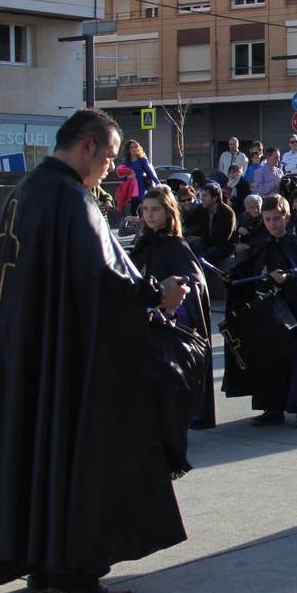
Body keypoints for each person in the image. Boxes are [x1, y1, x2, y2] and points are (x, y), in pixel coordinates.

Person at [0, 108, 189, 593]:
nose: (110, 168)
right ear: (86, 147)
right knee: (77, 450)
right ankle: (74, 572)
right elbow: (106, 281)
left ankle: (45, 562)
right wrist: (159, 295)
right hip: (67, 362)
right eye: (108, 157)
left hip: (26, 357)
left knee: (39, 453)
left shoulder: (27, 193)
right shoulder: (69, 200)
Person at [222, 194, 297, 429]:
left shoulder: (295, 245)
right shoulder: (263, 244)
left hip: (295, 316)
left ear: (287, 217)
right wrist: (233, 277)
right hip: (269, 316)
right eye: (268, 219)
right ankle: (272, 407)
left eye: (277, 219)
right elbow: (249, 271)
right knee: (270, 360)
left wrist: (287, 278)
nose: (272, 224)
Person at [133, 184, 215, 432]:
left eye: (155, 210)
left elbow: (194, 282)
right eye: (145, 210)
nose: (149, 215)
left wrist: (172, 298)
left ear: (168, 212)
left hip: (169, 325)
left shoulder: (176, 246)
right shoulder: (143, 243)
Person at [186, 181, 236, 263]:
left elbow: (220, 239)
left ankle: (203, 271)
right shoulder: (202, 208)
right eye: (202, 195)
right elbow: (188, 220)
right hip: (206, 241)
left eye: (205, 196)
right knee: (194, 245)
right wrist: (183, 208)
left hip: (222, 246)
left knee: (209, 252)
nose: (202, 198)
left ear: (215, 198)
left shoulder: (227, 213)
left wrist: (199, 238)